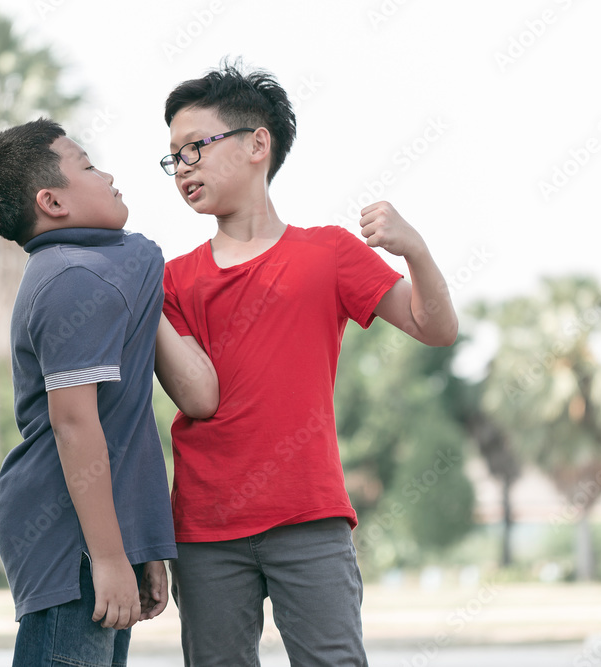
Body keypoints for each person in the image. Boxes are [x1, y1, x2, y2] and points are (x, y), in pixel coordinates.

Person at [160, 61, 458, 666]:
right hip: (206, 527)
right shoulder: (170, 280)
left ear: (257, 145)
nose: (182, 166)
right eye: (173, 158)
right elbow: (197, 398)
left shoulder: (329, 253)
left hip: (309, 517)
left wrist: (416, 250)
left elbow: (436, 328)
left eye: (195, 147)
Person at [0, 118, 218, 666]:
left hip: (101, 534)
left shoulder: (99, 270)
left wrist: (140, 547)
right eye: (88, 165)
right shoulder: (74, 279)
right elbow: (74, 424)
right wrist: (107, 558)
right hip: (71, 539)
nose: (107, 176)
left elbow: (128, 422)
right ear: (53, 202)